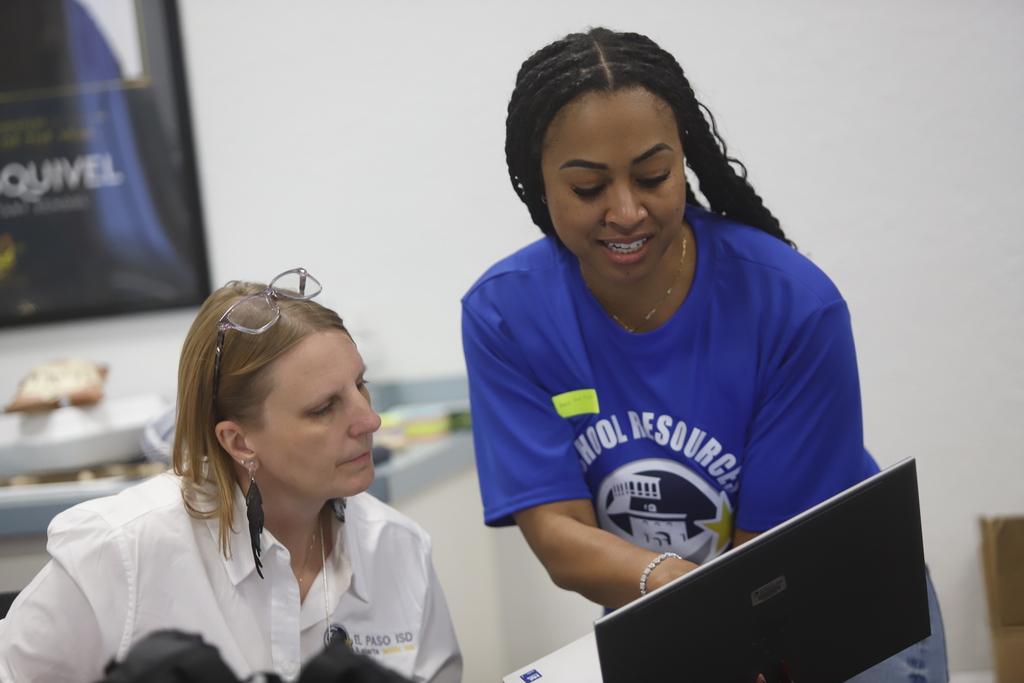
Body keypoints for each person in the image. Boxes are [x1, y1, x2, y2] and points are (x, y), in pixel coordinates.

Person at [461, 28, 947, 681]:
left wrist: (682, 600)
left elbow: (772, 573)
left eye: (654, 176)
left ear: (684, 160)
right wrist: (668, 582)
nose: (626, 210)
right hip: (673, 608)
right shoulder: (505, 313)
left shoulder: (793, 304)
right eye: (587, 188)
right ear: (536, 182)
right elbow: (557, 531)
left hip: (834, 606)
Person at [0, 269, 462, 683]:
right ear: (240, 442)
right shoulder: (119, 551)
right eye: (324, 408)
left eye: (360, 385)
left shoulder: (399, 548)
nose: (369, 421)